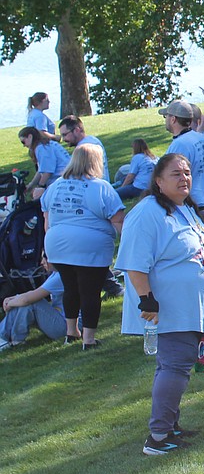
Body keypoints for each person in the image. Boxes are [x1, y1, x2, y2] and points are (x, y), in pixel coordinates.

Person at [116, 154, 204, 455]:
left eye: (187, 173)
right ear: (158, 181)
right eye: (176, 173)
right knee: (175, 366)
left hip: (191, 306)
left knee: (173, 366)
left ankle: (170, 427)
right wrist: (147, 299)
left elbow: (200, 254)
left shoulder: (185, 209)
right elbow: (134, 262)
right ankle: (158, 437)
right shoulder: (148, 212)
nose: (184, 178)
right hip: (168, 309)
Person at [41, 144, 125, 348]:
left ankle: (71, 332)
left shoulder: (55, 186)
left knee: (70, 288)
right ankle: (88, 339)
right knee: (90, 292)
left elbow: (47, 220)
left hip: (57, 245)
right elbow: (118, 220)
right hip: (90, 247)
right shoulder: (101, 187)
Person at [160, 100, 204, 223]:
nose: (165, 120)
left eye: (166, 116)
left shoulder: (179, 145)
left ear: (173, 119)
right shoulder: (200, 138)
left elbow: (169, 177)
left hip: (190, 208)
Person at [0, 258, 67, 351]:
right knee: (22, 301)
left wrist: (10, 302)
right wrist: (12, 298)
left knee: (32, 302)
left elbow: (28, 299)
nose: (42, 262)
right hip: (60, 320)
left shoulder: (61, 276)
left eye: (45, 258)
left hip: (66, 328)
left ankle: (11, 339)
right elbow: (33, 293)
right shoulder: (55, 274)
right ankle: (5, 337)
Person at [18, 126, 70, 200]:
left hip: (62, 181)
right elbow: (41, 169)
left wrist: (40, 187)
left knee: (38, 200)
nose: (24, 145)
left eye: (23, 142)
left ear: (30, 136)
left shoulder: (41, 148)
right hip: (65, 178)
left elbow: (47, 171)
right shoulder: (46, 144)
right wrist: (31, 185)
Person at [58, 115, 109, 180]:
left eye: (65, 135)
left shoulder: (86, 148)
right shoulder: (92, 140)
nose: (64, 139)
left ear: (77, 130)